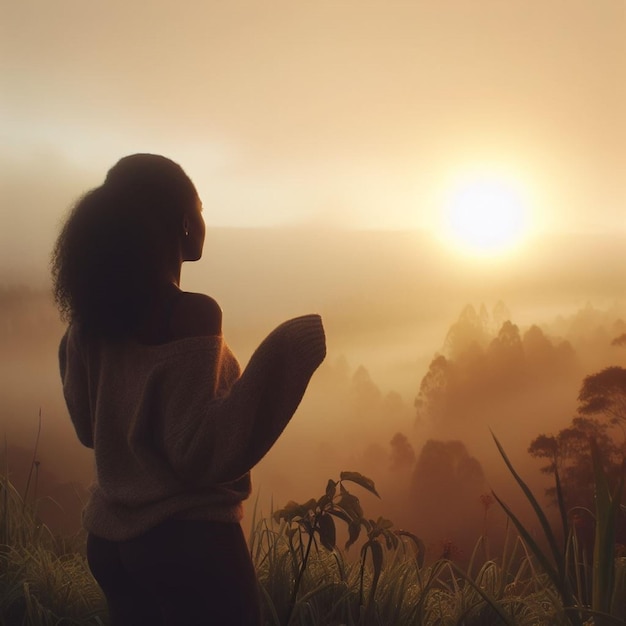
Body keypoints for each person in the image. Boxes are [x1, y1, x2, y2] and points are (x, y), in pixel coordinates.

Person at [51, 154, 326, 625]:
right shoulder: (193, 314)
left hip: (110, 543)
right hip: (188, 542)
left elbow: (87, 426)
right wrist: (288, 352)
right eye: (201, 208)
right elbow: (199, 450)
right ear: (183, 222)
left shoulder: (88, 323)